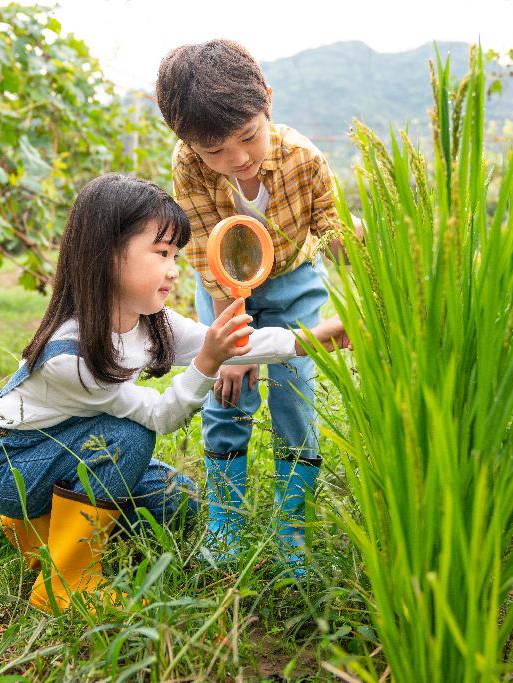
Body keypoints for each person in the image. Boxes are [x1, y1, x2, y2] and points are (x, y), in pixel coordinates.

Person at [0, 174, 349, 613]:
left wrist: (315, 338)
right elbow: (161, 416)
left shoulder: (149, 319)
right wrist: (207, 364)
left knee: (180, 499)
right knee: (129, 439)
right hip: (15, 467)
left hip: (71, 448)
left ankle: (42, 528)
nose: (175, 268)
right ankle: (64, 582)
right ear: (108, 255)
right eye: (162, 253)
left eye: (176, 254)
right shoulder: (71, 356)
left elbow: (230, 344)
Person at [156, 39, 357, 575]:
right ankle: (226, 520)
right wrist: (235, 346)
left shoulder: (303, 158)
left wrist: (367, 266)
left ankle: (293, 524)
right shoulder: (189, 167)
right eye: (216, 151)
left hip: (293, 281)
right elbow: (202, 250)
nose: (238, 158)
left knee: (294, 388)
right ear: (188, 143)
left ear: (267, 100)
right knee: (228, 388)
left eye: (249, 137)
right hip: (221, 286)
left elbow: (332, 231)